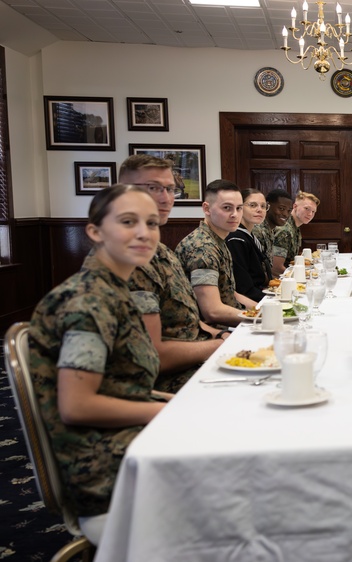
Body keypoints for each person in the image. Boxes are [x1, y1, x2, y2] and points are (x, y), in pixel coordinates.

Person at [28, 184, 167, 526]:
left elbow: (123, 385)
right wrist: (167, 411)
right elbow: (77, 406)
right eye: (127, 221)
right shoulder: (87, 302)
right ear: (94, 231)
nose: (143, 233)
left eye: (151, 223)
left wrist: (180, 403)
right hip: (105, 472)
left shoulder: (113, 289)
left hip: (129, 442)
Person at [119, 155, 225, 393]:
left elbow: (182, 318)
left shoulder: (160, 251)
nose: (165, 198)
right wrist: (221, 346)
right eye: (153, 188)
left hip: (195, 361)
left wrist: (221, 334)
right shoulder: (131, 259)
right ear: (122, 192)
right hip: (166, 385)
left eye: (170, 189)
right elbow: (153, 355)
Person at [175, 179, 251, 326]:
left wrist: (264, 310)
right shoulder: (203, 247)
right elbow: (212, 311)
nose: (235, 214)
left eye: (239, 208)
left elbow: (230, 293)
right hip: (210, 332)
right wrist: (261, 318)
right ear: (207, 208)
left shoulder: (218, 239)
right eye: (227, 208)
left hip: (228, 323)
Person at [226, 188, 270, 302]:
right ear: (239, 208)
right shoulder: (236, 239)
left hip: (260, 292)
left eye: (263, 206)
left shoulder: (250, 235)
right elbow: (243, 288)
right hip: (248, 301)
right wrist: (271, 301)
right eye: (253, 205)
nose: (259, 210)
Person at [272, 191, 320, 272]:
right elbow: (276, 268)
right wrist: (301, 276)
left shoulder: (295, 227)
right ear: (295, 206)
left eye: (313, 212)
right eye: (307, 209)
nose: (310, 214)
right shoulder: (285, 230)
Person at [254, 188, 292, 280]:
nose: (285, 214)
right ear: (267, 206)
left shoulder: (270, 230)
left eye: (288, 211)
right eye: (281, 209)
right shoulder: (258, 230)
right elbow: (256, 272)